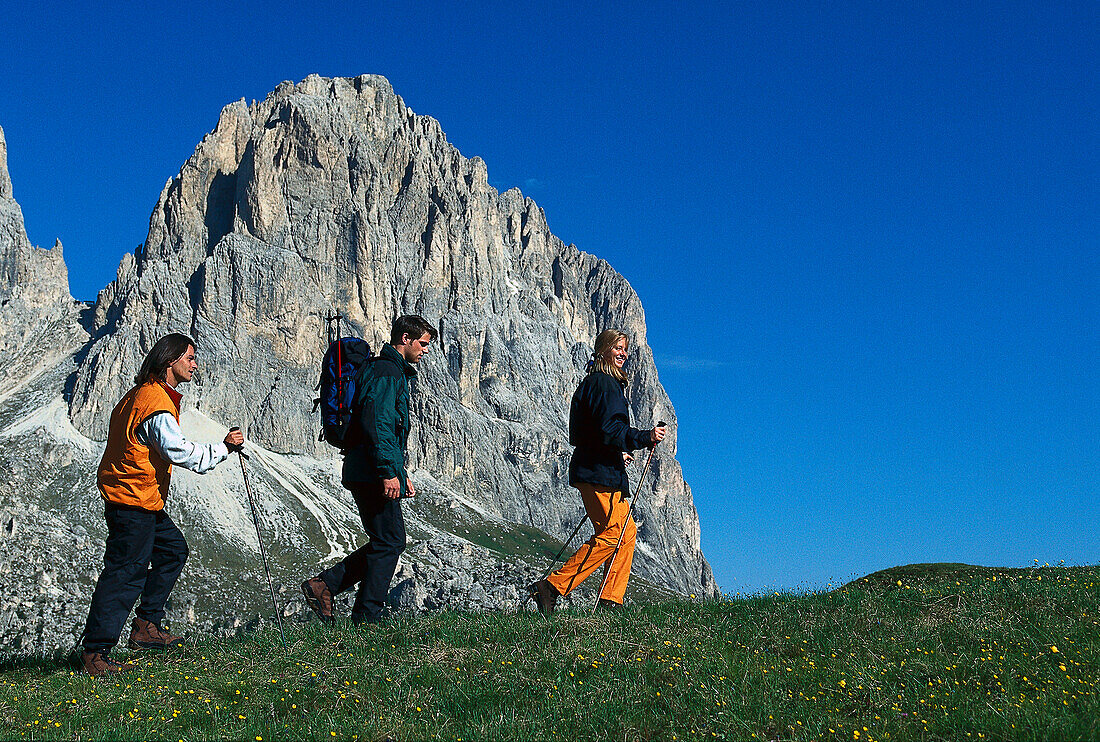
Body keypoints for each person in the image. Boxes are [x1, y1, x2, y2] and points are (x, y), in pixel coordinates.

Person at [80, 333, 244, 676]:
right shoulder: (154, 402)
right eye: (189, 358)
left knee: (173, 550)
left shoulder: (141, 396)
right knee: (125, 572)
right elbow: (180, 452)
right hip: (132, 501)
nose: (195, 364)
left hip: (140, 499)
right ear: (170, 361)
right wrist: (224, 448)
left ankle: (145, 626)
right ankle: (96, 654)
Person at [302, 314, 437, 625]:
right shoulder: (388, 372)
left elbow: (385, 427)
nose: (425, 350)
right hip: (371, 470)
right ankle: (364, 615)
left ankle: (327, 587)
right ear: (405, 339)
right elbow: (378, 424)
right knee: (390, 540)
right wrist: (389, 472)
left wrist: (400, 474)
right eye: (423, 344)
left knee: (387, 539)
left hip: (366, 467)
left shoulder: (388, 371)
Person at [527, 329, 665, 614]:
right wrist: (644, 437)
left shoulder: (592, 383)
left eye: (625, 349)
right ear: (603, 350)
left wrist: (616, 451)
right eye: (617, 347)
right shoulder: (605, 384)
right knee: (615, 533)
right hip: (599, 471)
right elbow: (611, 428)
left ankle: (609, 601)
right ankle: (553, 586)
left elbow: (585, 433)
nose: (623, 353)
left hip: (594, 467)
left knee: (624, 534)